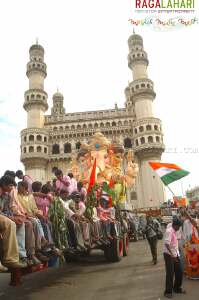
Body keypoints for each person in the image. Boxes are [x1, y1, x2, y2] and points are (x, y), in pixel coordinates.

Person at [163, 218, 186, 298]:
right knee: (170, 273)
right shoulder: (169, 231)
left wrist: (176, 254)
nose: (179, 228)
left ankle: (177, 288)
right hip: (169, 255)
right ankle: (168, 291)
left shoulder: (174, 231)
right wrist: (172, 255)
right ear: (175, 225)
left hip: (175, 254)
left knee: (179, 271)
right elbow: (166, 244)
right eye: (179, 226)